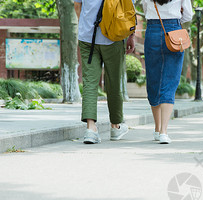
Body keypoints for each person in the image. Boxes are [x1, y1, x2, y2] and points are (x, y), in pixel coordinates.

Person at [74, 0, 135, 144]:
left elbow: (77, 6)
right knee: (113, 83)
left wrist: (85, 25)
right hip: (113, 37)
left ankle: (91, 128)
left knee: (89, 81)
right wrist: (131, 35)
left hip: (87, 38)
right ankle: (115, 126)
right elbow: (128, 10)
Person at [143, 0, 193, 144]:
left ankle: (157, 128)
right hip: (174, 31)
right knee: (170, 80)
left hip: (152, 29)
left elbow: (146, 10)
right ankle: (164, 131)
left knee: (153, 79)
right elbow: (188, 15)